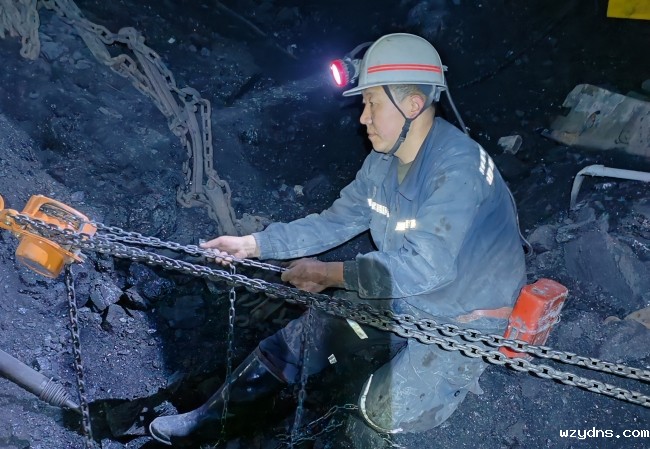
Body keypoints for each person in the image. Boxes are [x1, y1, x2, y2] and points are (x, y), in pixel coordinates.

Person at [149, 33, 527, 446]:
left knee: (380, 415)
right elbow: (334, 222)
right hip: (404, 294)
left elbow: (426, 267)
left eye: (372, 104)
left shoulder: (458, 170)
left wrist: (329, 273)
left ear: (413, 106)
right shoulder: (383, 162)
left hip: (463, 317)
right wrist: (252, 245)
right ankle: (208, 424)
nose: (363, 118)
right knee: (305, 338)